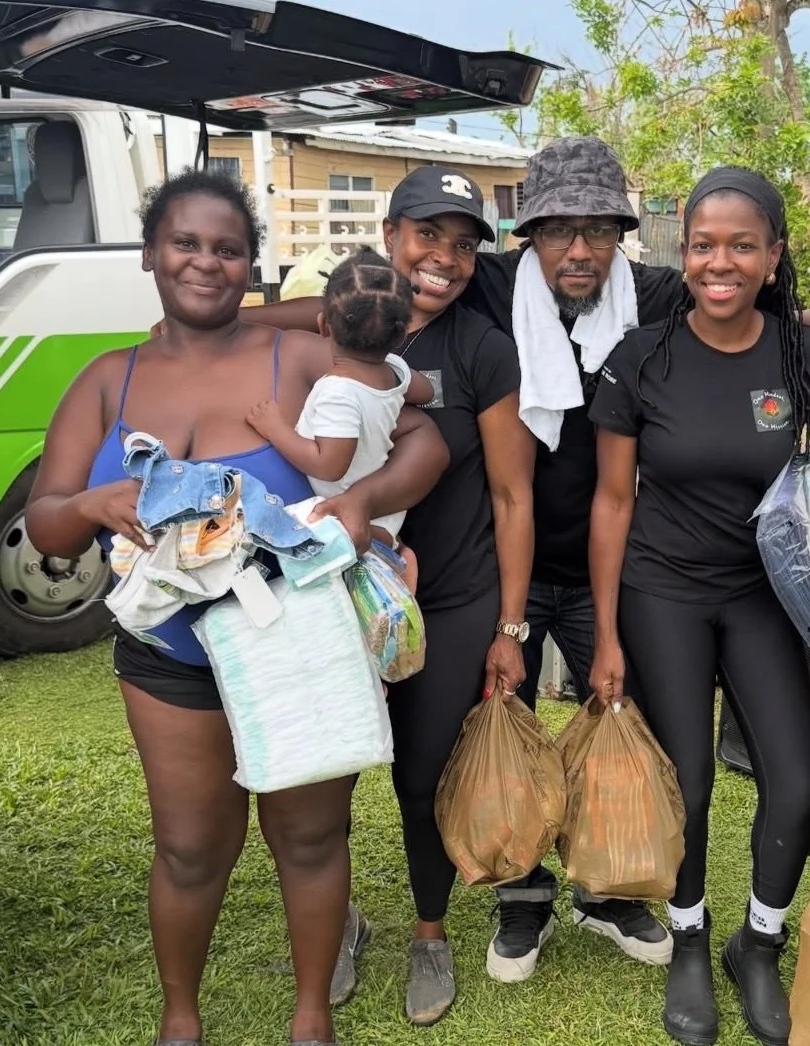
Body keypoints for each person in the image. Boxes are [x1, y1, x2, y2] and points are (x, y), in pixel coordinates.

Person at [239, 138, 810, 985]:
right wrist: (233, 321)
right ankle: (522, 892)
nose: (578, 250)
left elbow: (783, 329)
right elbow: (359, 306)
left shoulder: (657, 292)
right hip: (500, 559)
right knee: (496, 733)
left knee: (636, 743)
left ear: (624, 236)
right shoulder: (483, 278)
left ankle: (611, 888)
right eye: (556, 230)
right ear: (527, 238)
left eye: (598, 230)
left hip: (616, 568)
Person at [23, 170, 448, 1046]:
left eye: (227, 249)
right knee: (187, 849)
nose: (205, 263)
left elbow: (424, 440)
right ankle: (180, 1019)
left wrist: (363, 500)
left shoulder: (298, 359)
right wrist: (97, 507)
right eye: (185, 244)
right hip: (168, 660)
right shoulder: (109, 377)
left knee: (309, 839)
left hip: (301, 644)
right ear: (150, 254)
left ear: (251, 266)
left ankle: (309, 1020)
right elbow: (46, 520)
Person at [588, 166, 810, 1046]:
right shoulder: (643, 359)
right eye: (704, 244)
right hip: (660, 590)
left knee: (792, 779)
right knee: (690, 784)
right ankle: (691, 941)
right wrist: (603, 634)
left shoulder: (799, 355)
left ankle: (759, 943)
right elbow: (612, 502)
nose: (720, 262)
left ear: (772, 257)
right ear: (683, 248)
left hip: (761, 597)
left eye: (742, 246)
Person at [339, 166, 536, 1026]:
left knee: (422, 778)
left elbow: (512, 496)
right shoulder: (339, 324)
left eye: (463, 246)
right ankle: (335, 917)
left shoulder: (483, 348)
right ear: (389, 236)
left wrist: (510, 626)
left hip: (452, 598)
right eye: (428, 236)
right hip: (334, 596)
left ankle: (428, 932)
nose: (444, 259)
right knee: (329, 776)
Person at [244, 246, 435, 548]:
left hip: (347, 510)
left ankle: (388, 548)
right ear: (400, 336)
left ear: (322, 326)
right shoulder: (396, 370)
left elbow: (329, 465)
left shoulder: (338, 392)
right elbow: (428, 391)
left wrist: (275, 429)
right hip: (386, 505)